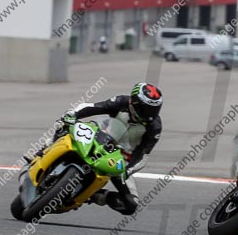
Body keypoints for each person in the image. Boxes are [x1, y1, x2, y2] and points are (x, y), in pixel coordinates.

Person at [59, 83, 163, 215]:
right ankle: (43, 149)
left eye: (153, 110)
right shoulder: (121, 102)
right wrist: (73, 114)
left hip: (117, 161)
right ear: (134, 103)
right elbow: (94, 107)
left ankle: (92, 195)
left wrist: (128, 170)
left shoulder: (154, 127)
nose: (149, 115)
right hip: (99, 138)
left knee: (131, 205)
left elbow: (143, 155)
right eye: (145, 109)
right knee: (64, 126)